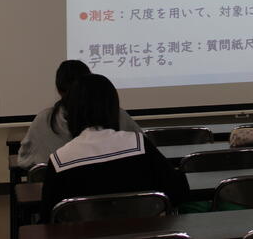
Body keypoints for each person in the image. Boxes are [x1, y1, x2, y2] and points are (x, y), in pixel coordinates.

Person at [40, 74, 188, 222]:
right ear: (112, 108)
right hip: (141, 231)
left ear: (72, 111)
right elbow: (177, 192)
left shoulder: (60, 160)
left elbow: (48, 219)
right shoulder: (139, 144)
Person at [17, 60, 141, 169]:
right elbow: (143, 150)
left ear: (59, 90)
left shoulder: (45, 120)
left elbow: (25, 160)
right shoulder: (116, 115)